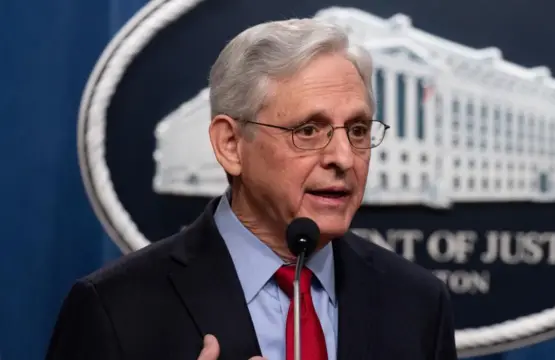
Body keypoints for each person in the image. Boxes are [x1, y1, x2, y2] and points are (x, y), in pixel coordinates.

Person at [46, 17, 458, 360]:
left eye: (357, 130)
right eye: (309, 130)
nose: (344, 158)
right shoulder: (116, 309)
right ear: (231, 145)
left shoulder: (418, 304)